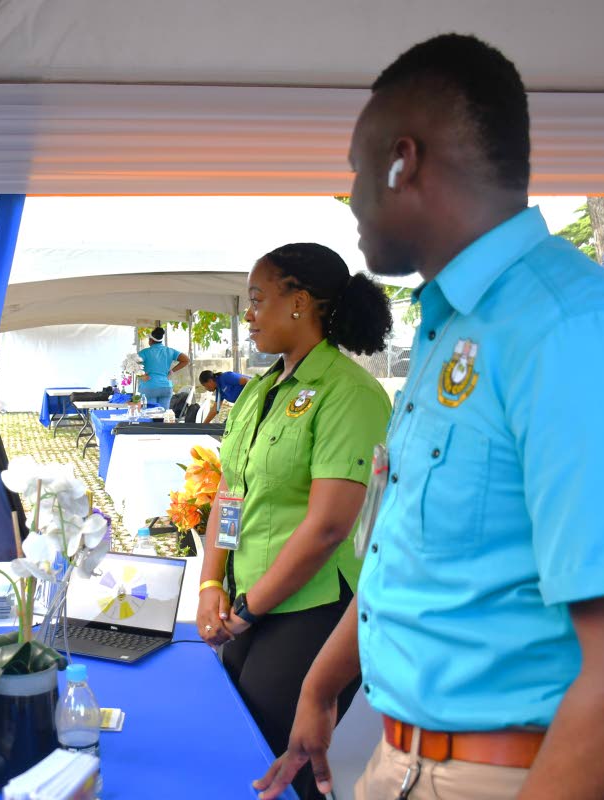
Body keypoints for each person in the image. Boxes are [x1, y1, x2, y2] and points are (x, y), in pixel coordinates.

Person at [254, 34, 604, 800]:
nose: (353, 198)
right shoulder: (451, 329)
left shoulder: (571, 332)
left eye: (358, 172)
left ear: (404, 160)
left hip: (516, 777)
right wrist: (322, 685)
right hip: (404, 761)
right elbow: (418, 554)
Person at [197, 242, 393, 799]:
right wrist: (214, 581)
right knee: (232, 741)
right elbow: (231, 494)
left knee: (277, 763)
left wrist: (249, 608)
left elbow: (330, 525)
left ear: (300, 303)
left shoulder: (350, 394)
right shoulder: (259, 392)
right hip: (247, 602)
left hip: (312, 609)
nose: (249, 315)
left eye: (258, 300)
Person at [138, 326, 189, 408]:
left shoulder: (144, 352)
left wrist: (141, 375)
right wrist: (172, 371)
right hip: (166, 387)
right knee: (163, 416)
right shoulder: (170, 351)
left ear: (151, 340)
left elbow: (132, 364)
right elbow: (186, 360)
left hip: (149, 387)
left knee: (150, 415)